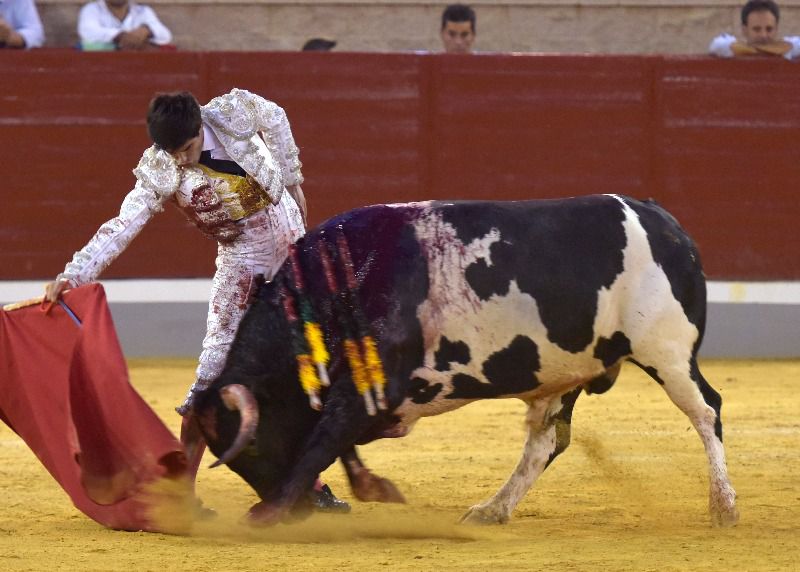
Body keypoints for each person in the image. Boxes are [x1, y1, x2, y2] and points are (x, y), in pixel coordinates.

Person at [44, 89, 350, 515]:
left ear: (199, 129)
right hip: (242, 262)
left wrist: (293, 177)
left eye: (187, 149)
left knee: (303, 374)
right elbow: (124, 224)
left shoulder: (232, 112)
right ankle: (181, 494)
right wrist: (74, 274)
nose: (182, 161)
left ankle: (308, 486)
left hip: (295, 253)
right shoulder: (160, 167)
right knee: (211, 376)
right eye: (173, 153)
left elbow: (276, 115)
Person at [709, 0, 800, 59]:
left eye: (769, 29)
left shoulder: (788, 49)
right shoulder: (732, 50)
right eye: (756, 29)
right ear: (744, 30)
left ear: (776, 29)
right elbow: (716, 45)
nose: (763, 35)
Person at [77, 0, 172, 51]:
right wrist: (121, 36)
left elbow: (166, 35)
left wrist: (146, 30)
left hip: (137, 68)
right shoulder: (91, 9)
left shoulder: (143, 11)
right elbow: (88, 32)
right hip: (103, 68)